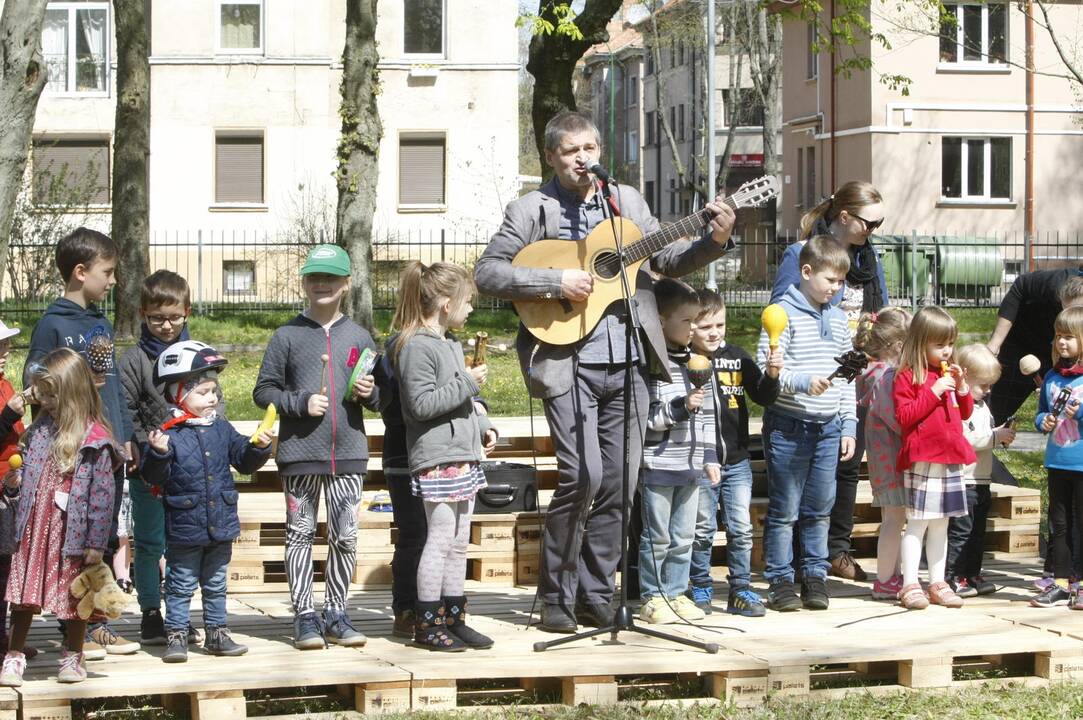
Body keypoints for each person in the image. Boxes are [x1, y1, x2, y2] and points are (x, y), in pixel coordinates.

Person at [474, 111, 736, 633]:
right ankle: (556, 595)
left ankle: (597, 592)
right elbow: (488, 273)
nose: (582, 158)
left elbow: (669, 260)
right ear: (551, 156)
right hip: (566, 362)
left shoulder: (627, 202)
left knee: (620, 481)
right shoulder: (530, 209)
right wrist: (555, 281)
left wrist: (714, 240)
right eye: (571, 150)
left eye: (590, 147)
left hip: (633, 358)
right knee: (583, 475)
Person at [253, 244, 381, 650]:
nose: (321, 284)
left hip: (348, 455)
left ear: (348, 283)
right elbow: (263, 391)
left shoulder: (360, 337)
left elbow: (381, 397)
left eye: (330, 277)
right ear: (304, 283)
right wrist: (300, 402)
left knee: (346, 536)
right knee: (300, 534)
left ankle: (337, 612)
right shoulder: (286, 335)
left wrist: (370, 393)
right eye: (314, 277)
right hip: (298, 454)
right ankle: (305, 615)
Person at [24, 227, 137, 657]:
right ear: (79, 271)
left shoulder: (101, 323)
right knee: (73, 542)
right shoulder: (52, 325)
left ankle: (94, 623)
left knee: (103, 537)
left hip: (107, 449)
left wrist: (124, 436)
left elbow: (113, 390)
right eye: (107, 273)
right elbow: (35, 380)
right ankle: (78, 628)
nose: (112, 281)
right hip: (73, 454)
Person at [771, 182, 889, 584]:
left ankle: (834, 552)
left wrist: (879, 333)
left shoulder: (870, 261)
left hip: (853, 376)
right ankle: (799, 561)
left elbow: (880, 309)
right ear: (844, 217)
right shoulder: (801, 255)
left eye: (879, 224)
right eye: (869, 223)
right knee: (806, 475)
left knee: (846, 465)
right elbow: (780, 311)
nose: (873, 231)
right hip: (808, 379)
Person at [390, 261, 497, 651]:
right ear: (446, 304)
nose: (471, 310)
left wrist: (484, 427)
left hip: (463, 453)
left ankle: (454, 616)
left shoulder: (449, 344)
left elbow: (463, 402)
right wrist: (468, 382)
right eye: (468, 302)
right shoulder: (416, 346)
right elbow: (420, 405)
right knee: (439, 539)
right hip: (438, 457)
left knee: (459, 541)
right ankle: (427, 621)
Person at [142, 341, 273, 662]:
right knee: (180, 583)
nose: (213, 398)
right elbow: (153, 476)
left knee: (216, 583)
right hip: (185, 525)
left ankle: (217, 633)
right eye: (203, 392)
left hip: (221, 524)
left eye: (214, 391)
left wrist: (258, 447)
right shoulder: (168, 433)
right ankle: (176, 635)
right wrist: (157, 454)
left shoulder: (221, 427)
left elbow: (243, 460)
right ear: (178, 394)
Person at [0, 349, 123, 686]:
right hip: (34, 530)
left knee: (74, 597)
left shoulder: (94, 440)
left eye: (52, 394)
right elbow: (31, 475)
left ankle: (72, 655)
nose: (46, 401)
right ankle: (14, 656)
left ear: (74, 392)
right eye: (42, 393)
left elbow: (102, 496)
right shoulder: (41, 430)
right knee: (23, 596)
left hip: (71, 534)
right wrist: (17, 483)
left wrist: (97, 542)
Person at [757, 236, 858, 612]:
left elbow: (847, 375)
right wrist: (801, 381)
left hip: (829, 427)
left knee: (819, 507)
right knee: (785, 509)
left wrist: (849, 424)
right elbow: (767, 368)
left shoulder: (837, 316)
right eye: (831, 281)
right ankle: (780, 580)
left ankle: (815, 575)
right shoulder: (781, 312)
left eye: (841, 282)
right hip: (789, 426)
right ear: (806, 271)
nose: (836, 288)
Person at [118, 270, 204, 646]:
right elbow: (125, 409)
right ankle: (151, 610)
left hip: (187, 469)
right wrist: (141, 444)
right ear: (142, 314)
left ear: (187, 311)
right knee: (151, 541)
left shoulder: (200, 356)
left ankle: (180, 613)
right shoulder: (135, 360)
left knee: (184, 542)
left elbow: (210, 401)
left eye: (174, 317)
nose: (166, 326)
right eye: (157, 318)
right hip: (148, 468)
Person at [687, 289, 779, 617]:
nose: (715, 333)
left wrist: (771, 375)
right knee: (702, 529)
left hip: (737, 460)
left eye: (720, 325)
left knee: (740, 528)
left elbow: (764, 397)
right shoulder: (683, 362)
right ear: (689, 328)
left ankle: (740, 589)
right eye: (706, 326)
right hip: (700, 462)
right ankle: (698, 585)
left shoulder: (737, 357)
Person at [636, 280, 718, 624]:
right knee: (657, 536)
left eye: (696, 321)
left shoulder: (699, 363)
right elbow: (648, 418)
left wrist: (711, 456)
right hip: (658, 464)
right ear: (661, 320)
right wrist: (681, 407)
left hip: (691, 467)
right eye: (687, 321)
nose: (694, 328)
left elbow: (710, 416)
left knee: (684, 537)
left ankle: (676, 593)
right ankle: (652, 596)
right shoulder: (655, 366)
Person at [892, 306, 974, 610]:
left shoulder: (947, 373)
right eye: (939, 345)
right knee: (918, 523)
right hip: (923, 458)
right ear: (920, 342)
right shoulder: (908, 377)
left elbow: (964, 413)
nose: (947, 351)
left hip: (950, 458)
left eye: (950, 344)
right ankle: (910, 583)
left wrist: (963, 389)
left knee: (942, 524)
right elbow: (904, 416)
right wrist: (934, 391)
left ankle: (937, 582)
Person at [854, 307, 912, 601]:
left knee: (895, 519)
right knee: (893, 520)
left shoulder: (874, 374)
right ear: (900, 346)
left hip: (884, 462)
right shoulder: (887, 378)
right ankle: (886, 579)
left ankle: (893, 575)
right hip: (892, 463)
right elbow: (899, 421)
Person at [949, 344, 1016, 598]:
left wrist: (1000, 433)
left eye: (990, 385)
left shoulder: (983, 406)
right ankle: (954, 575)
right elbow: (967, 439)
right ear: (965, 377)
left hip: (982, 479)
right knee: (961, 531)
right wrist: (995, 436)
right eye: (983, 385)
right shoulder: (960, 404)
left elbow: (984, 435)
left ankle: (972, 572)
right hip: (964, 479)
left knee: (978, 530)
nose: (988, 391)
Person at [1030, 306, 1083, 610]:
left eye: (1070, 337)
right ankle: (1060, 583)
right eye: (1058, 336)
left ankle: (1081, 584)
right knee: (1058, 524)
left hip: (1081, 464)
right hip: (1057, 462)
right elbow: (1040, 413)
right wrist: (1042, 423)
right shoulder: (1051, 376)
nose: (1062, 342)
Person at [986, 270, 1083, 424]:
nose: (1068, 318)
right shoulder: (1053, 284)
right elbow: (1020, 286)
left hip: (1061, 356)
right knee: (993, 413)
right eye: (1066, 311)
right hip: (1021, 344)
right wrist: (993, 347)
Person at [0, 322, 27, 655]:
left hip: (8, 485)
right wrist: (7, 417)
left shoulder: (5, 384)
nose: (4, 353)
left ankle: (3, 639)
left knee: (6, 566)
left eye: (5, 346)